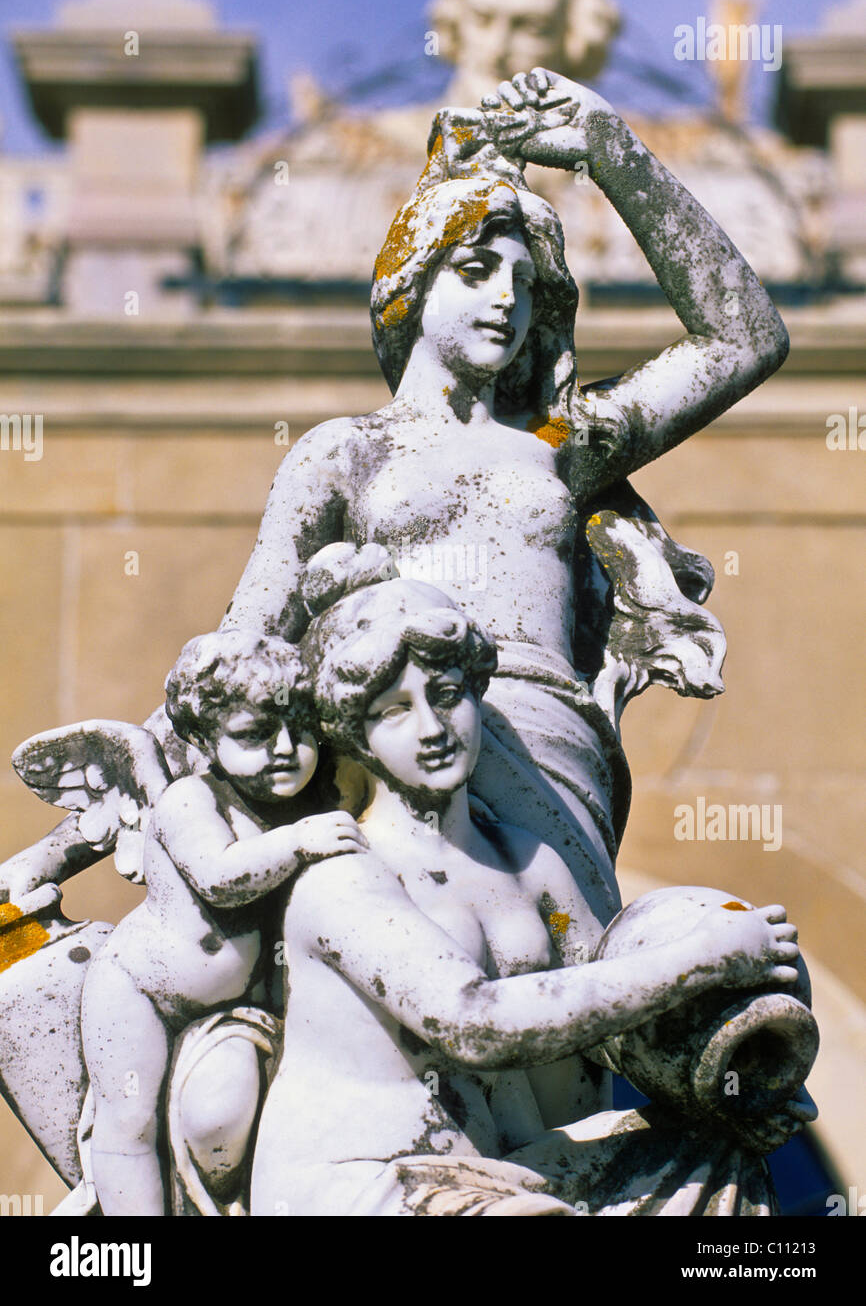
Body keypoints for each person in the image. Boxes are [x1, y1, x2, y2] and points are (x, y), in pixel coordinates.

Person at [219, 68, 788, 919]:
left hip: (547, 742)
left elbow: (744, 338)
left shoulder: (558, 445)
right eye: (478, 270)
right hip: (389, 731)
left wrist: (609, 150)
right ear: (409, 284)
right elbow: (249, 643)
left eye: (527, 285)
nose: (506, 300)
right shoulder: (346, 452)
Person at [249, 556, 801, 1217]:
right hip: (367, 1186)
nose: (432, 729)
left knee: (715, 1158)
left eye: (447, 694)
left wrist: (739, 1078)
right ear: (353, 734)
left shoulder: (527, 861)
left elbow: (610, 1020)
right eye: (396, 711)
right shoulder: (344, 876)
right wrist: (698, 957)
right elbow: (474, 1023)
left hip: (497, 1177)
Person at [78, 629, 364, 1215]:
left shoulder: (303, 805)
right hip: (138, 991)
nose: (285, 748)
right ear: (206, 740)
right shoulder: (191, 801)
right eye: (255, 735)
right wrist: (301, 841)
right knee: (128, 1122)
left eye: (301, 728)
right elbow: (221, 877)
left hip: (230, 1008)